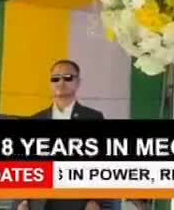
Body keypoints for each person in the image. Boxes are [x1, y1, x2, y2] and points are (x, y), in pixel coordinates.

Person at [15, 60, 107, 210]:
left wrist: (95, 200)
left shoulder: (93, 117)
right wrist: (22, 200)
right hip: (40, 202)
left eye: (68, 77)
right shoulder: (36, 119)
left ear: (78, 82)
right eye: (55, 78)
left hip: (78, 202)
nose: (61, 82)